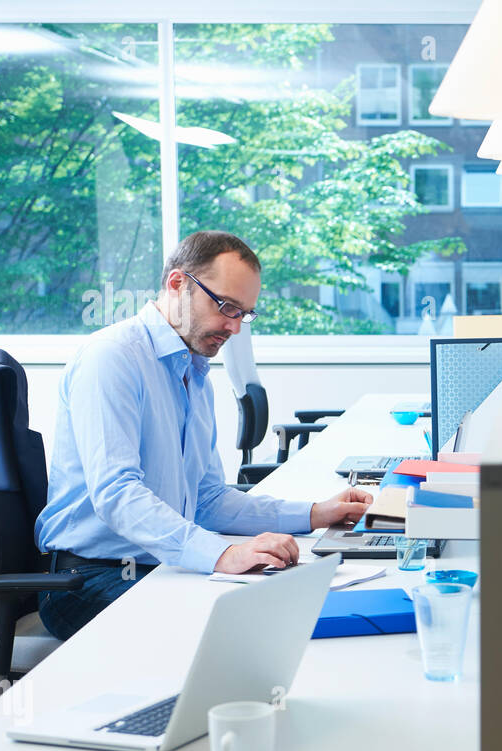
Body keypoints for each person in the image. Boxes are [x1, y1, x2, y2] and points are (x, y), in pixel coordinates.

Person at [35, 230, 372, 639]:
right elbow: (117, 495)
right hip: (86, 582)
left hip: (159, 564)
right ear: (178, 284)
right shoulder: (112, 358)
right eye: (227, 307)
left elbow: (207, 500)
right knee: (246, 625)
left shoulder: (192, 374)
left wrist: (315, 513)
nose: (234, 327)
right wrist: (223, 553)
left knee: (289, 602)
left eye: (244, 314)